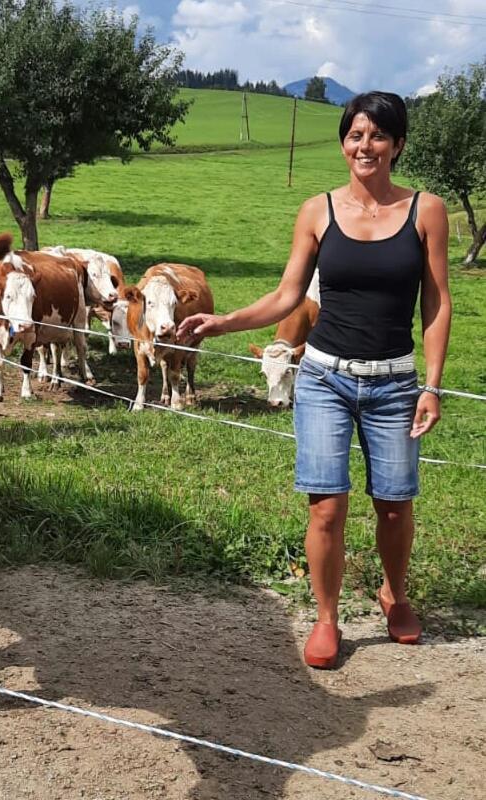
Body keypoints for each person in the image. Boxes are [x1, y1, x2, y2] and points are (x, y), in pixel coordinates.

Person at [177, 92, 452, 669]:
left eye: (378, 136)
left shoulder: (427, 210)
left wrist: (431, 384)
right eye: (355, 135)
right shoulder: (318, 211)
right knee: (327, 507)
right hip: (324, 378)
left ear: (398, 144)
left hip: (395, 383)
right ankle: (326, 619)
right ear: (344, 143)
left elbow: (437, 303)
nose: (365, 146)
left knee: (395, 506)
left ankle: (393, 594)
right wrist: (224, 321)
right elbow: (287, 296)